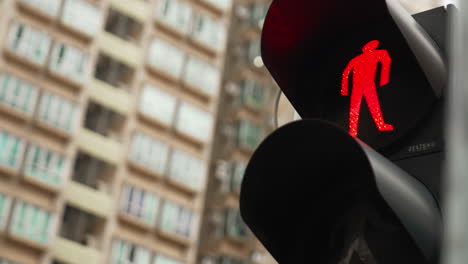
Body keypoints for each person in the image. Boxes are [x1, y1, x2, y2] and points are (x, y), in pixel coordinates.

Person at [341, 40, 394, 137]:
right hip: (357, 86)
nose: (368, 48)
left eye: (371, 46)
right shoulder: (356, 59)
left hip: (368, 84)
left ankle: (380, 125)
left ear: (374, 47)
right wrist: (344, 90)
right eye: (367, 46)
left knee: (373, 105)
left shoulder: (377, 54)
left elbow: (386, 60)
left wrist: (384, 78)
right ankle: (353, 131)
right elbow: (346, 72)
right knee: (355, 108)